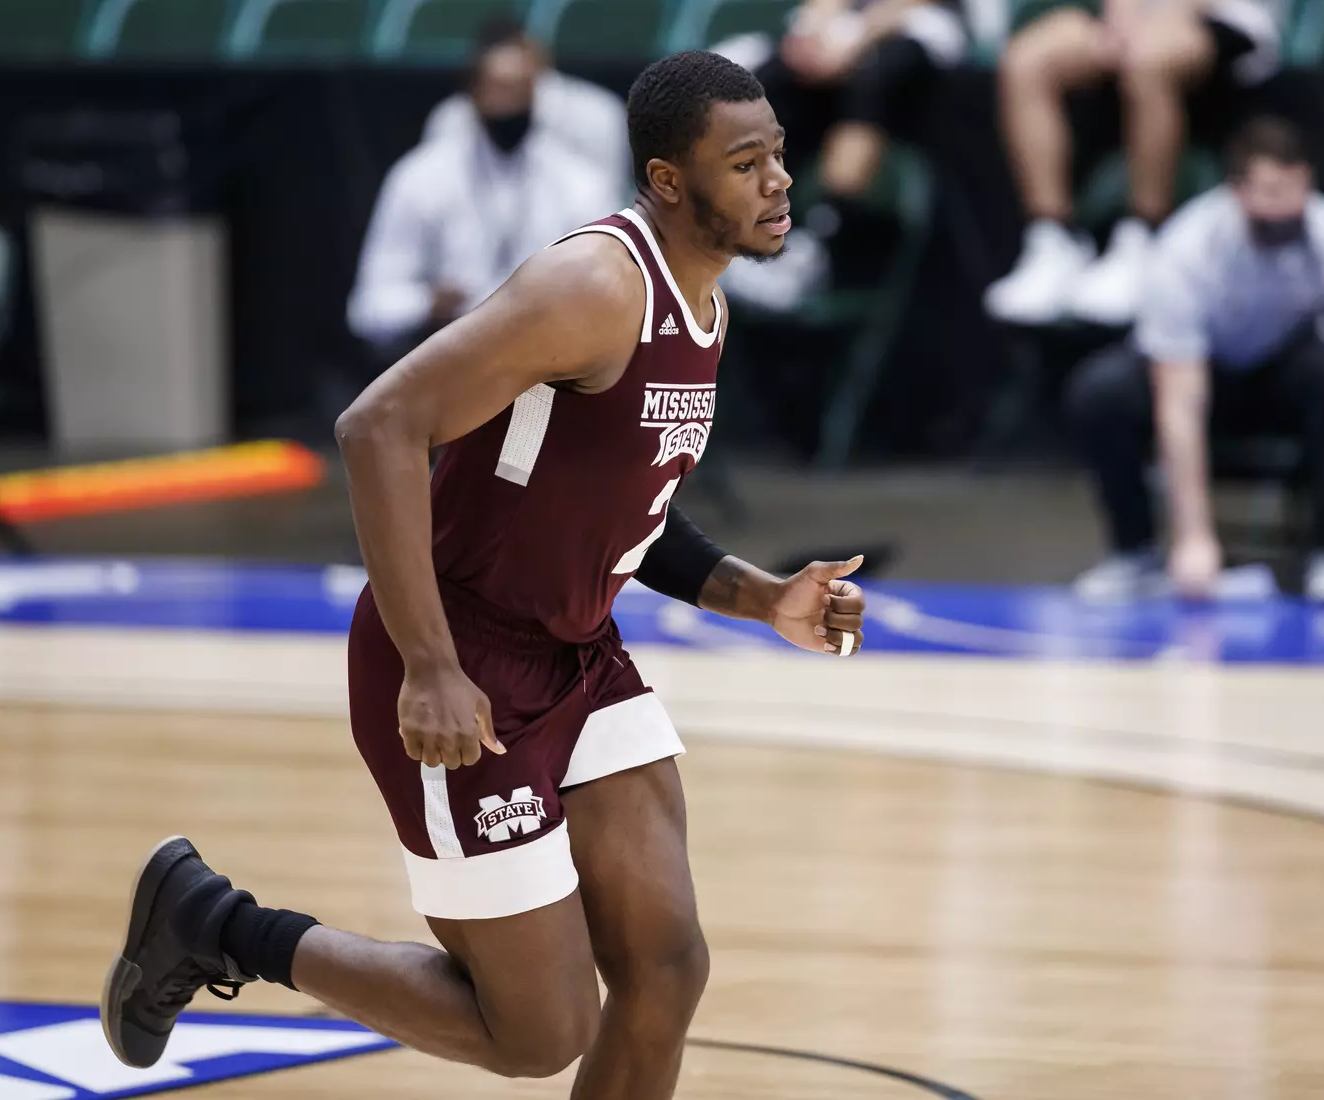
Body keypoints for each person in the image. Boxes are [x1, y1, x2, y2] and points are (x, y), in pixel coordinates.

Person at [102, 51, 869, 1097]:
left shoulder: (704, 304)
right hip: (461, 659)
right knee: (538, 1030)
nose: (778, 179)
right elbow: (377, 424)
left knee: (667, 966)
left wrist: (759, 594)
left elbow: (624, 507)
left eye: (777, 153)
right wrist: (428, 664)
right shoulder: (593, 286)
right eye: (745, 163)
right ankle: (219, 924)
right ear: (669, 181)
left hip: (578, 654)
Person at [1066, 117, 1324, 603]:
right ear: (1236, 192)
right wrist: (1195, 538)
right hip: (1197, 373)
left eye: (1297, 189)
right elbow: (1180, 397)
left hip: (1277, 369)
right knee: (1101, 392)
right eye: (1270, 192)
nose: (1286, 207)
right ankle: (1137, 552)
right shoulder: (1189, 252)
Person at [983, 0, 1284, 327]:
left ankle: (1144, 238)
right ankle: (1053, 237)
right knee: (1026, 60)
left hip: (1220, 14)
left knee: (1146, 58)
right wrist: (1122, 17)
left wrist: (1158, 18)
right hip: (1130, 20)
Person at [346, 20, 620, 360]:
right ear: (473, 95)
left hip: (545, 361)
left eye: (522, 91)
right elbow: (369, 307)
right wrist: (426, 303)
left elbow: (609, 295)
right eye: (499, 90)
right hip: (447, 358)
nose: (511, 106)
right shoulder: (420, 178)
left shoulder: (577, 183)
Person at [719, 0, 968, 310]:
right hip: (844, 36)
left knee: (875, 73)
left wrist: (857, 36)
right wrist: (817, 31)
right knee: (774, 76)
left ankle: (818, 239)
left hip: (910, 36)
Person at [421, 18, 630, 192]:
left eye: (516, 84)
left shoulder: (597, 112)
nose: (506, 102)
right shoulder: (452, 117)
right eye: (498, 85)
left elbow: (608, 200)